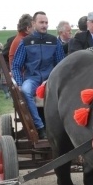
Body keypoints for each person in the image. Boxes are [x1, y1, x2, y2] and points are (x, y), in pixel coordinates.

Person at [11, 11, 64, 139]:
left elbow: (61, 64)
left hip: (50, 79)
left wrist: (54, 79)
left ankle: (60, 128)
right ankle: (40, 127)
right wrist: (19, 83)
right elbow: (16, 65)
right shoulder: (26, 42)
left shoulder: (54, 42)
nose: (44, 25)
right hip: (32, 78)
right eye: (41, 22)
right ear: (34, 24)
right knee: (25, 91)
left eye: (46, 23)